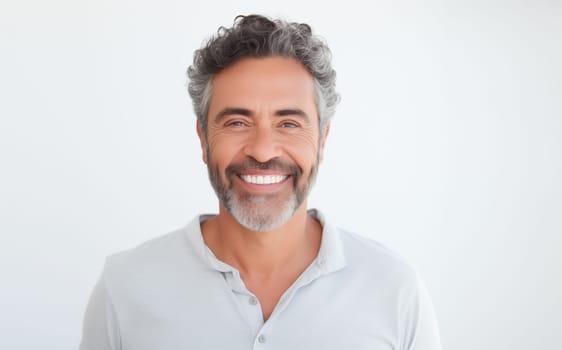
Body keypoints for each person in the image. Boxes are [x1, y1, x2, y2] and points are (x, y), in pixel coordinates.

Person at [80, 14, 441, 350]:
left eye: (289, 123)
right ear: (203, 138)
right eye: (237, 122)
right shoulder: (124, 288)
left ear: (322, 140)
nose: (264, 150)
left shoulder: (395, 290)